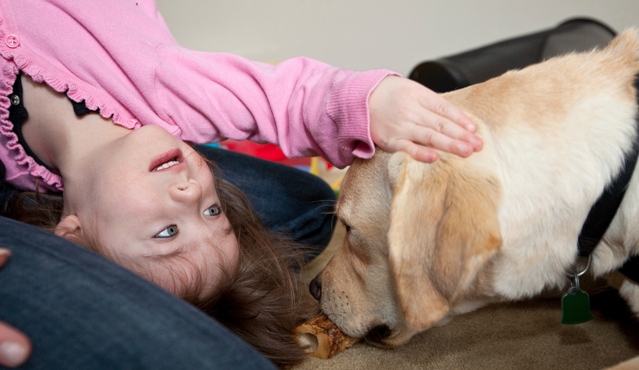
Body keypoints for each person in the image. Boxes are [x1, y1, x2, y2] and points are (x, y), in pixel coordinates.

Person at [0, 0, 483, 368]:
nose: (195, 193)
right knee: (314, 208)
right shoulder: (166, 91)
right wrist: (371, 101)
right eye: (215, 213)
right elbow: (279, 97)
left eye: (169, 232)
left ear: (73, 241)